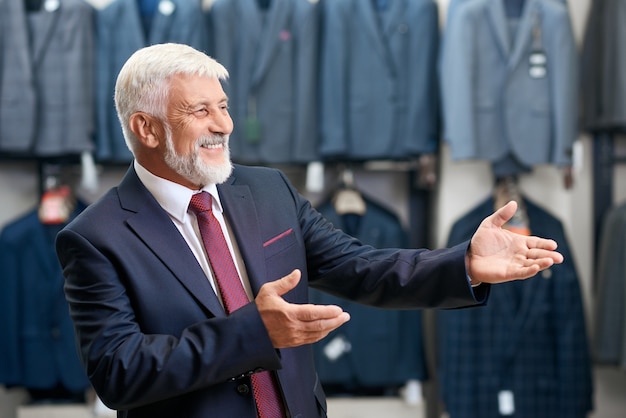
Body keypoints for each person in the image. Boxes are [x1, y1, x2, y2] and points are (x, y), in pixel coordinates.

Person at [55, 43, 564, 418]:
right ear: (146, 128)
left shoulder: (270, 190)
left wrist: (464, 263)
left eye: (224, 106)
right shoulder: (95, 236)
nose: (225, 125)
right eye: (201, 111)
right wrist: (254, 333)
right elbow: (118, 372)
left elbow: (360, 267)